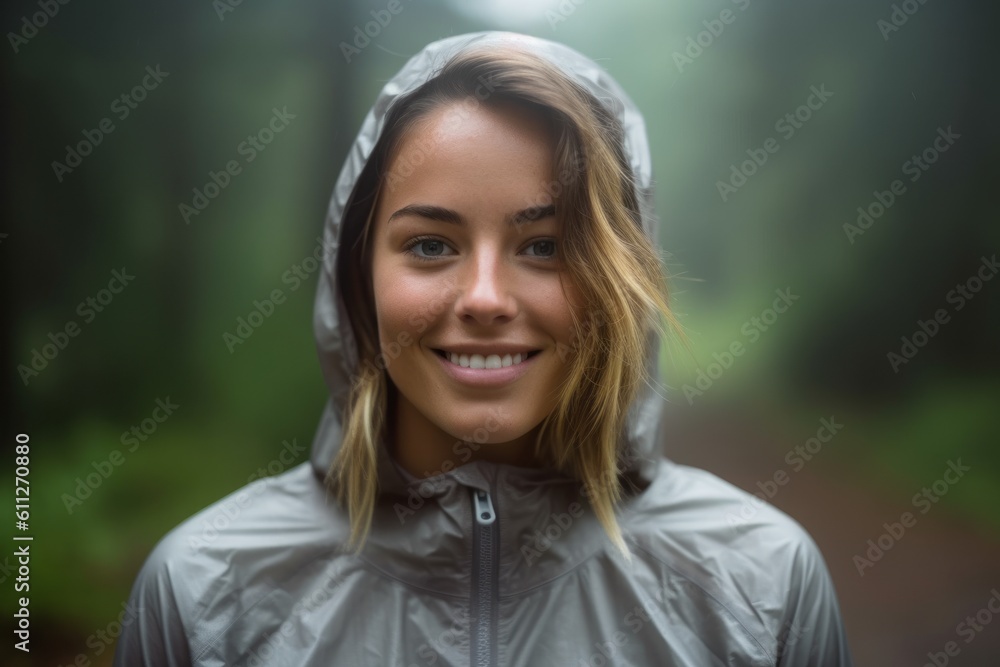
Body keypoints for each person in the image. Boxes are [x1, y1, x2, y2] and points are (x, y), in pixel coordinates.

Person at [113, 31, 853, 666]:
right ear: (356, 276)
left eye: (544, 245)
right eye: (431, 244)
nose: (486, 297)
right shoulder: (204, 590)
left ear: (619, 276)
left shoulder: (763, 585)